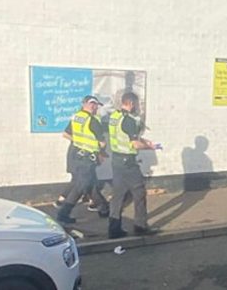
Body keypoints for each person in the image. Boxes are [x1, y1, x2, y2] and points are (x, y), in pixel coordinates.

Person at [107, 92, 158, 238]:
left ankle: (114, 229)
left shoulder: (114, 117)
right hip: (128, 163)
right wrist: (150, 147)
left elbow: (125, 135)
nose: (138, 107)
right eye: (137, 104)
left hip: (116, 160)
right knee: (139, 193)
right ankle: (141, 226)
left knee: (117, 196)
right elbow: (134, 144)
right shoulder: (128, 120)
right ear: (131, 103)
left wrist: (146, 141)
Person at [56, 95, 110, 224]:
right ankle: (63, 213)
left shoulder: (77, 117)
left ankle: (103, 209)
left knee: (90, 184)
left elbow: (66, 134)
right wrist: (100, 152)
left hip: (77, 155)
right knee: (81, 187)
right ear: (85, 104)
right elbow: (102, 143)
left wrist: (80, 143)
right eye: (92, 104)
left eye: (96, 104)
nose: (94, 106)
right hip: (87, 158)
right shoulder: (93, 120)